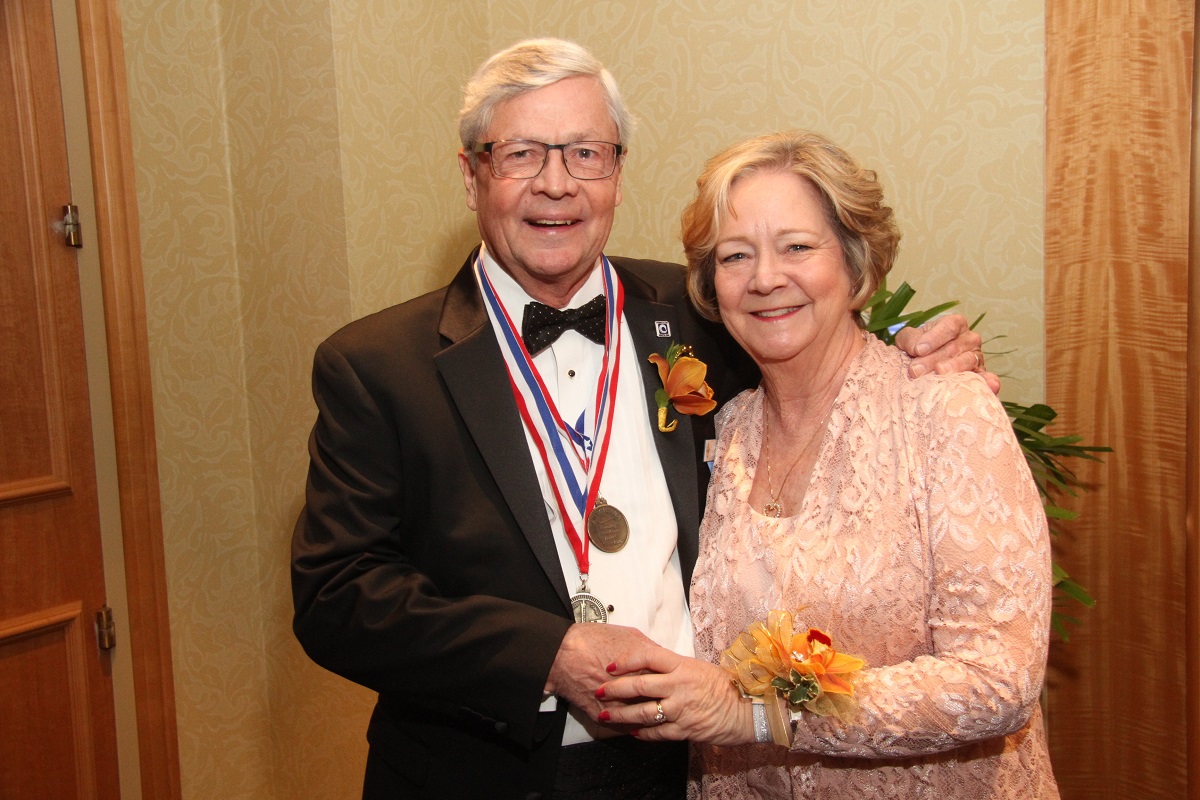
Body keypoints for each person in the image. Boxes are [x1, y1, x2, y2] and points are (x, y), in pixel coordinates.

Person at [291, 41, 988, 800]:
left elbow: (813, 331)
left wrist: (913, 354)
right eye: (521, 154)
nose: (556, 184)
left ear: (617, 175)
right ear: (471, 176)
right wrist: (546, 655)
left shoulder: (700, 312)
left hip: (689, 768)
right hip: (478, 773)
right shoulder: (378, 366)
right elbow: (337, 596)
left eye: (585, 153)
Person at [595, 130, 1058, 798]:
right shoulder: (717, 429)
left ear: (855, 264)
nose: (764, 279)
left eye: (797, 247)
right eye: (735, 255)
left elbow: (999, 679)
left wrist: (761, 713)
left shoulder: (944, 411)